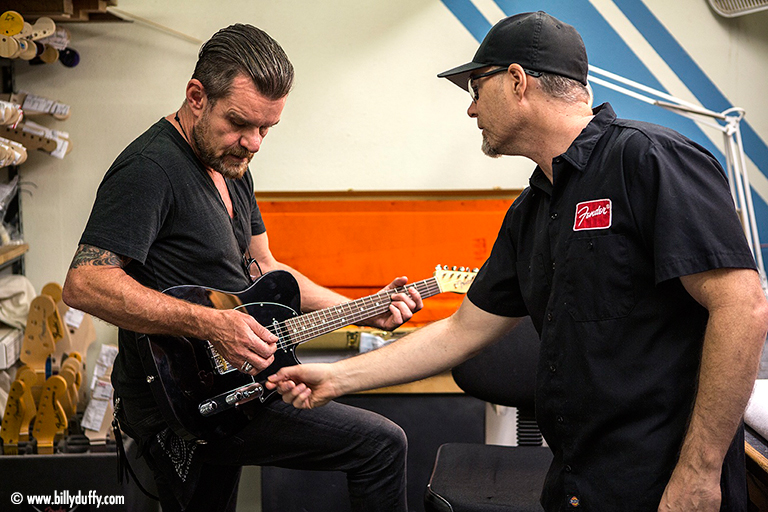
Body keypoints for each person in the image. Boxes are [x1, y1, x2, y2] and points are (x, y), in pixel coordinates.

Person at [266, 11, 768, 512]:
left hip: (662, 486)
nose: (470, 109)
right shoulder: (532, 211)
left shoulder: (649, 159)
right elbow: (460, 332)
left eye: (475, 89)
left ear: (516, 81)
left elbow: (742, 308)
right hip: (575, 481)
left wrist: (698, 476)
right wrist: (336, 378)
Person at [62, 24, 423, 512]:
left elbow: (266, 269)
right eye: (239, 123)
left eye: (266, 129)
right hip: (177, 404)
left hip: (233, 378)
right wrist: (214, 325)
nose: (253, 143)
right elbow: (85, 283)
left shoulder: (231, 164)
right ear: (196, 97)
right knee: (382, 444)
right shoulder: (149, 170)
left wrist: (362, 309)